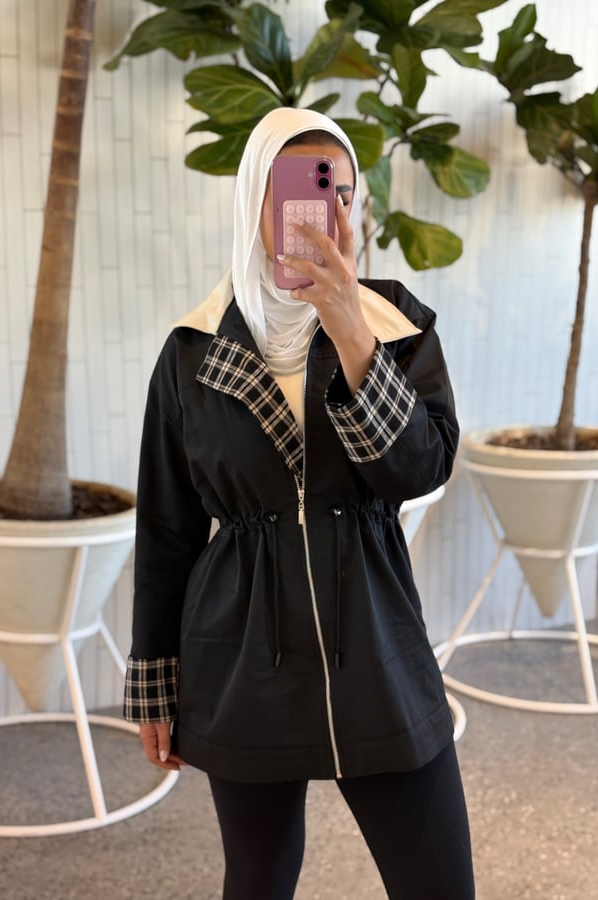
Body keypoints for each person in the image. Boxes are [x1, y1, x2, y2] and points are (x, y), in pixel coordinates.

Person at [124, 107, 475, 899]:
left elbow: (422, 468)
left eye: (343, 194)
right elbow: (168, 529)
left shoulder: (396, 323)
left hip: (378, 642)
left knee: (439, 882)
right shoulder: (193, 349)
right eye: (305, 195)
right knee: (259, 878)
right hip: (242, 652)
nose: (329, 214)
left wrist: (350, 329)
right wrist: (154, 679)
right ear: (257, 202)